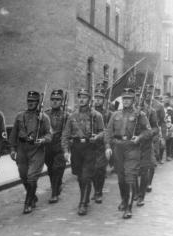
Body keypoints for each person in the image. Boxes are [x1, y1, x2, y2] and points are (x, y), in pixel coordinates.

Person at [105, 88, 151, 219]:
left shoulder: (139, 115)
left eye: (129, 99)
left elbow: (148, 131)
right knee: (121, 178)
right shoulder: (115, 115)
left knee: (130, 176)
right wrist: (108, 147)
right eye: (124, 98)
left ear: (133, 100)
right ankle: (124, 200)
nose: (126, 101)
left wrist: (139, 137)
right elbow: (108, 132)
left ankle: (129, 208)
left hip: (132, 148)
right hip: (118, 147)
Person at [61, 88, 105, 215]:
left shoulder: (96, 115)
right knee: (80, 177)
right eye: (80, 97)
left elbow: (103, 132)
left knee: (86, 176)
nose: (81, 99)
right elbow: (65, 134)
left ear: (89, 99)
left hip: (90, 148)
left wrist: (96, 137)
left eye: (84, 97)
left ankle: (83, 203)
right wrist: (65, 150)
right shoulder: (72, 116)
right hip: (76, 149)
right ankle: (84, 197)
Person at [9, 91, 52, 214]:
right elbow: (13, 135)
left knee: (32, 177)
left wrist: (43, 139)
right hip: (22, 149)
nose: (30, 103)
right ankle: (32, 195)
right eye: (29, 101)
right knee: (23, 176)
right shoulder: (19, 116)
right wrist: (12, 149)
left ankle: (28, 203)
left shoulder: (44, 118)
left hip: (36, 149)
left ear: (38, 103)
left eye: (33, 101)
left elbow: (50, 134)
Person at [45, 89, 68, 204]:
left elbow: (69, 131)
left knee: (57, 168)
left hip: (60, 145)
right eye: (53, 99)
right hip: (48, 146)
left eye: (58, 100)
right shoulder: (45, 114)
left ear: (62, 101)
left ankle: (54, 194)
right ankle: (57, 185)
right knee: (50, 169)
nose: (55, 102)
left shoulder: (66, 115)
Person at [92, 86, 112, 204]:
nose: (98, 100)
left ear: (104, 100)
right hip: (91, 144)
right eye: (96, 98)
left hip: (103, 144)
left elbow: (110, 130)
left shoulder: (108, 113)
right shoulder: (90, 111)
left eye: (100, 98)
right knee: (93, 170)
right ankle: (96, 190)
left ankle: (99, 192)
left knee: (100, 169)